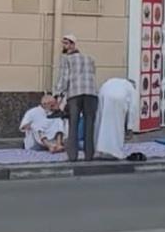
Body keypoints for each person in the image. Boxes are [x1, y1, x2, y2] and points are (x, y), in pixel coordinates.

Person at [54, 34, 98, 162]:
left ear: (73, 44)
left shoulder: (66, 59)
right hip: (91, 94)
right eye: (63, 43)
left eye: (66, 43)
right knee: (89, 124)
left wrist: (58, 94)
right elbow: (93, 74)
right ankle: (89, 155)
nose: (64, 46)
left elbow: (64, 78)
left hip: (75, 93)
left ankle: (73, 156)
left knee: (73, 124)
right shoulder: (90, 58)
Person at [96, 78, 139, 160]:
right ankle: (116, 151)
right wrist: (130, 127)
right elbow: (132, 109)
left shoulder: (116, 81)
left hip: (103, 92)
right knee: (117, 126)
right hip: (118, 97)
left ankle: (101, 149)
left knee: (103, 123)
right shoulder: (131, 88)